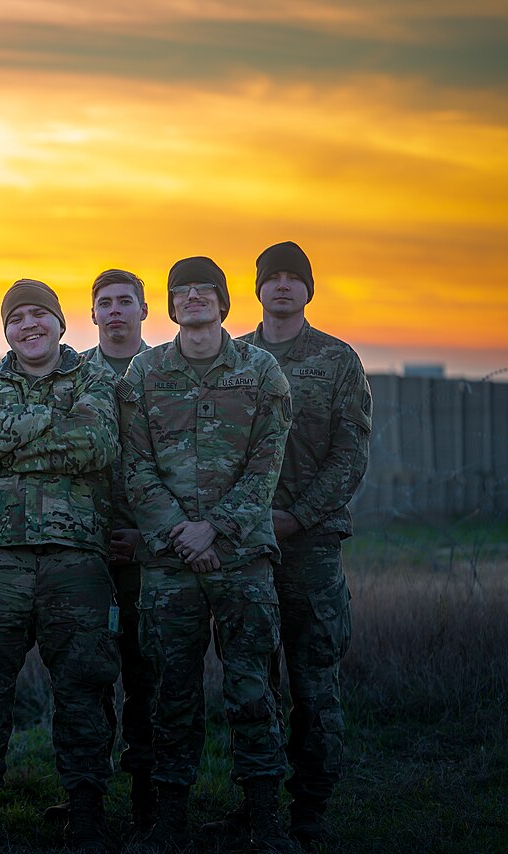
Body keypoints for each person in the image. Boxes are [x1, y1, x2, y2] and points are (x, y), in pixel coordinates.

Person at [118, 256, 297, 853]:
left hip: (241, 559)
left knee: (252, 688)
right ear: (169, 306)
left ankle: (265, 816)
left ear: (223, 302)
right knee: (172, 691)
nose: (194, 299)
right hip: (169, 566)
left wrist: (215, 529)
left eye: (206, 291)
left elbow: (266, 465)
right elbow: (136, 467)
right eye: (182, 292)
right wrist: (178, 531)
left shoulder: (261, 371)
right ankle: (171, 817)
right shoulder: (143, 374)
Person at [0, 279, 121, 853]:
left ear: (60, 323)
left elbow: (95, 443)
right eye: (17, 317)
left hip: (77, 561)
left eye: (39, 315)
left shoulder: (94, 379)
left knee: (83, 685)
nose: (29, 325)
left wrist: (13, 444)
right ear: (7, 329)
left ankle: (87, 812)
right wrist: (53, 424)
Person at [233, 241, 371, 847]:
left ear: (308, 290)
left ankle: (310, 806)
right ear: (258, 289)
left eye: (294, 278)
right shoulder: (234, 358)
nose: (282, 286)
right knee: (251, 680)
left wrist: (300, 516)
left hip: (310, 546)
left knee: (314, 682)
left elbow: (351, 453)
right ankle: (257, 802)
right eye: (273, 278)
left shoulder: (336, 360)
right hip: (246, 544)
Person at [44, 268, 159, 832]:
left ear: (143, 310)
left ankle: (149, 795)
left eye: (125, 302)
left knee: (150, 677)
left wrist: (151, 535)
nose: (115, 311)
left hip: (151, 549)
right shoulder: (74, 375)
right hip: (86, 548)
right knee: (86, 676)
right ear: (91, 315)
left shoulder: (162, 372)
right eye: (104, 303)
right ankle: (88, 795)